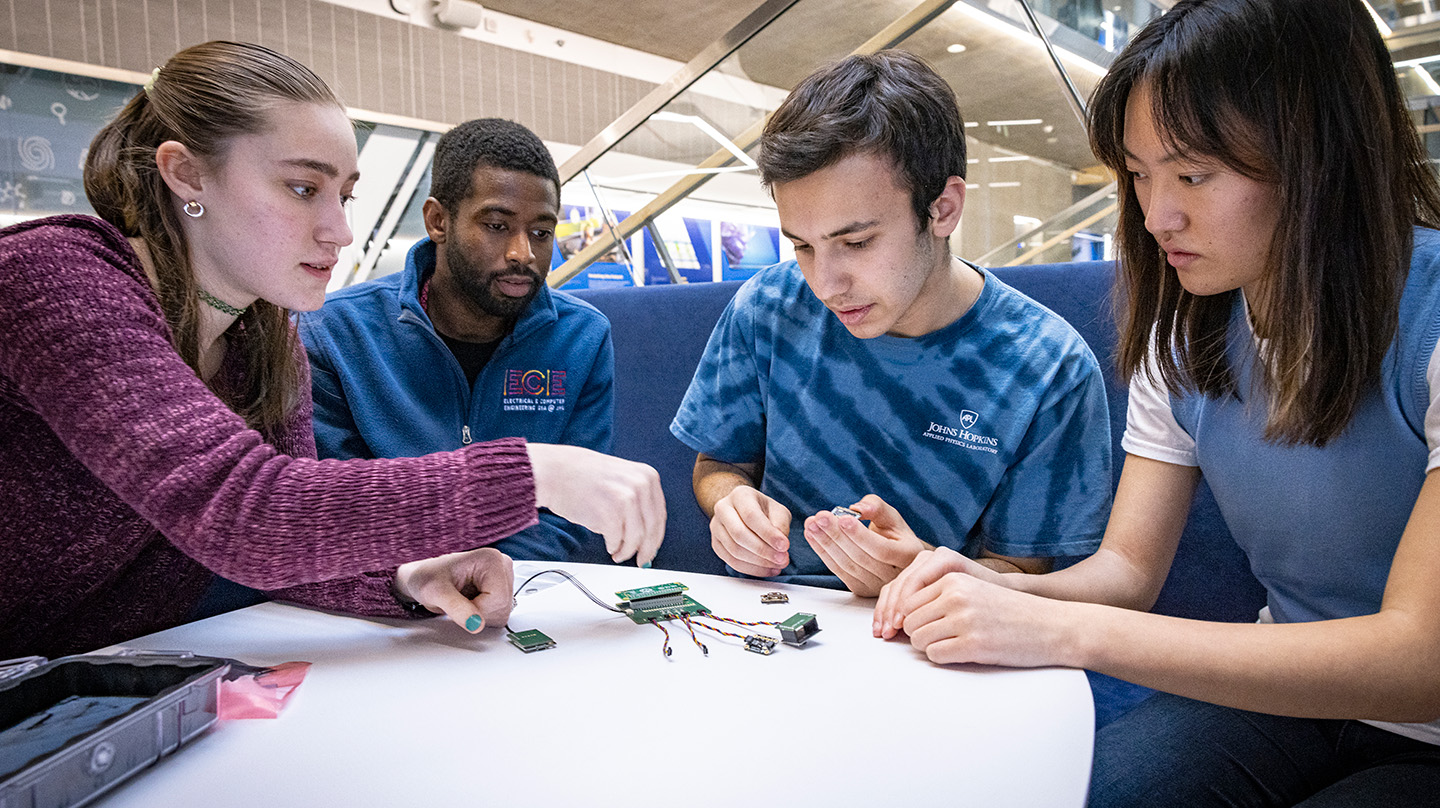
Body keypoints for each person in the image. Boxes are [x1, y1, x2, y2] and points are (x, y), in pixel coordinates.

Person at [873, 1, 1440, 804]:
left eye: (1194, 175)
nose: (1155, 215)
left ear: (1320, 158)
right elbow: (1126, 572)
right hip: (1284, 694)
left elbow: (1420, 660)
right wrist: (982, 585)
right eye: (1139, 174)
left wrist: (1061, 629)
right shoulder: (1188, 332)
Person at [0, 40, 665, 661]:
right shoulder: (58, 278)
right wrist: (531, 472)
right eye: (302, 189)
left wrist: (407, 578)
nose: (340, 230)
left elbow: (298, 545)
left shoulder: (264, 331)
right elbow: (251, 513)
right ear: (186, 174)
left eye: (344, 195)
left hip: (109, 676)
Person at [669, 50, 1113, 594]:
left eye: (855, 242)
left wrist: (925, 571)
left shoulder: (1048, 367)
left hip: (936, 643)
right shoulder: (767, 305)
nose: (826, 285)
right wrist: (730, 504)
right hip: (770, 618)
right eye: (803, 246)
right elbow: (718, 463)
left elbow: (1023, 571)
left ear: (943, 209)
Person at [298, 118, 642, 566]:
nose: (523, 253)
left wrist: (500, 574)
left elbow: (576, 508)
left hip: (525, 592)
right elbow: (339, 509)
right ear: (438, 221)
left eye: (541, 233)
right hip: (380, 601)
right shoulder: (334, 333)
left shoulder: (582, 337)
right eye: (498, 226)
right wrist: (436, 577)